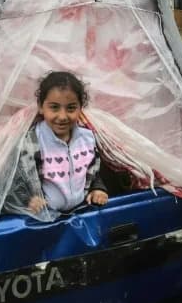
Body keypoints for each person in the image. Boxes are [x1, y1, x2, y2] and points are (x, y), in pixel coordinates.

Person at [8, 71, 108, 216]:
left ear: (81, 108)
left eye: (71, 108)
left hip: (80, 213)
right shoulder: (32, 142)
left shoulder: (87, 138)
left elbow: (93, 171)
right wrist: (28, 199)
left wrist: (98, 189)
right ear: (41, 107)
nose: (62, 116)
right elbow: (16, 180)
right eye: (54, 107)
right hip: (45, 219)